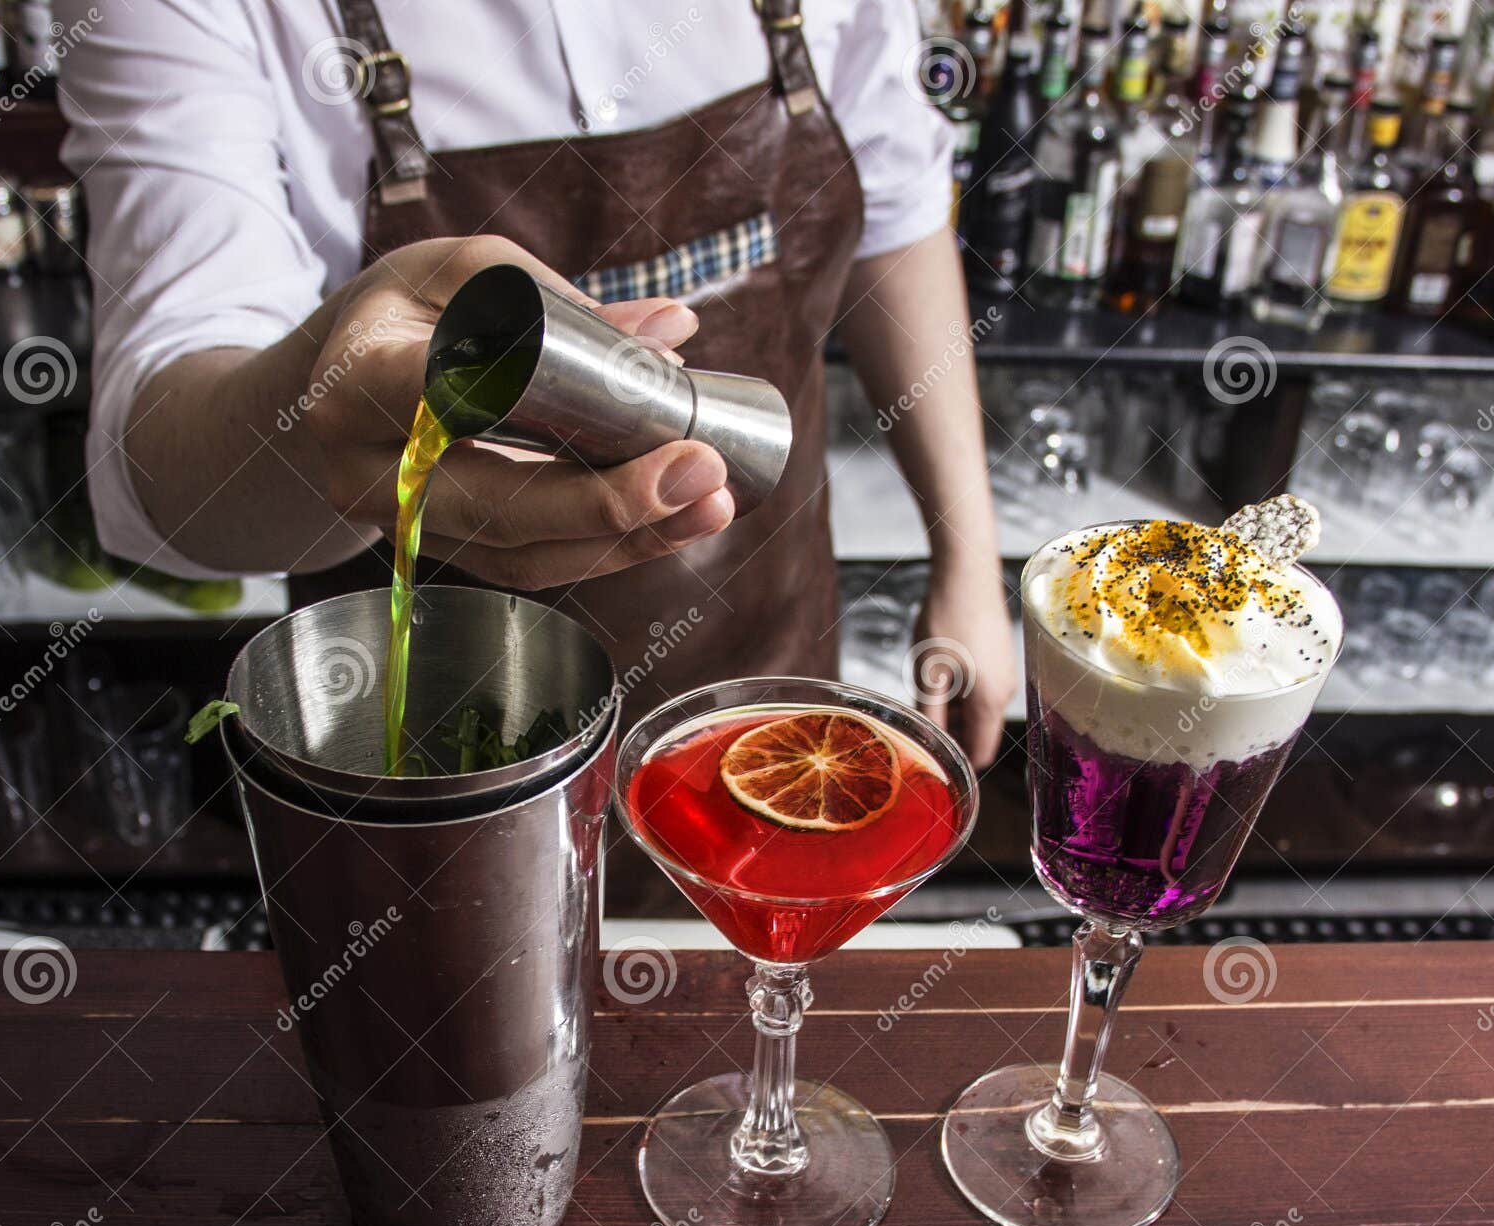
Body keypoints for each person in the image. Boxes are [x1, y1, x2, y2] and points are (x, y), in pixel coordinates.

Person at [58, 0, 1015, 765]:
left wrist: (969, 559)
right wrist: (326, 412)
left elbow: (898, 211)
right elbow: (166, 461)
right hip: (431, 768)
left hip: (760, 685)